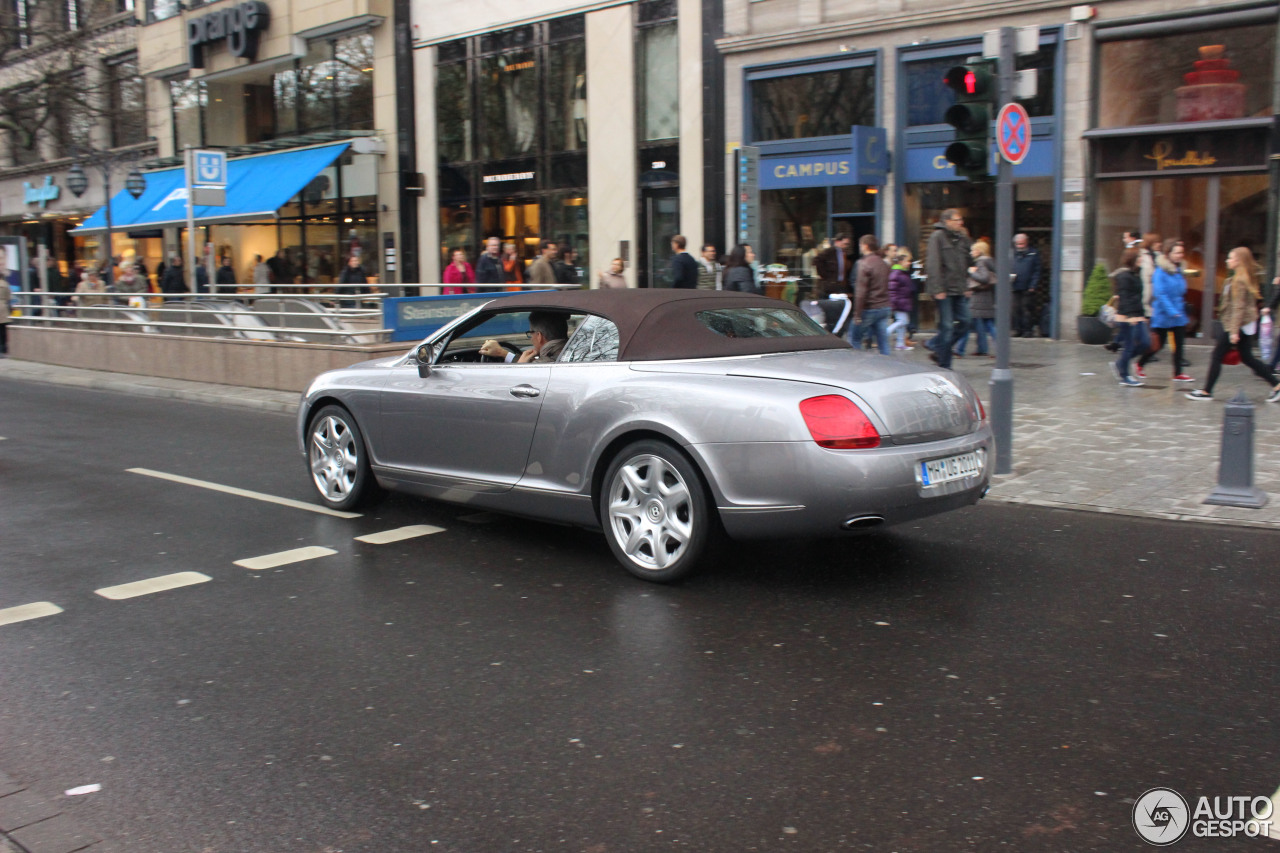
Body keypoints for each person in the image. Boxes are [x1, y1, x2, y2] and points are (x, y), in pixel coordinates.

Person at [1186, 246, 1280, 402]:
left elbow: (1238, 307)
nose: (1227, 260)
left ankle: (1206, 391)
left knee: (1217, 355)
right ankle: (1276, 385)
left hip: (1238, 325)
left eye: (1230, 258)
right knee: (1247, 357)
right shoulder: (1240, 277)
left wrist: (1234, 331)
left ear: (1238, 261)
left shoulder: (1240, 280)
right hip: (1243, 324)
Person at [1136, 239, 1192, 382]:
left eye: (1181, 252)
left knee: (1179, 345)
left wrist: (1180, 310)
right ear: (1168, 253)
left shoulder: (1178, 270)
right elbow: (1161, 294)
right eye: (1177, 252)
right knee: (1158, 345)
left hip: (1178, 314)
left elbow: (1180, 291)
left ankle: (1178, 372)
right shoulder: (1160, 272)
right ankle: (1140, 364)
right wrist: (1172, 311)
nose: (1180, 255)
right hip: (1164, 315)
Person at [925, 208, 972, 369]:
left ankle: (936, 345)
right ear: (947, 221)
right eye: (957, 220)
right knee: (947, 326)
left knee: (966, 321)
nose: (961, 222)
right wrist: (938, 288)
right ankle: (945, 364)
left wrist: (966, 285)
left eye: (961, 219)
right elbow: (933, 263)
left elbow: (966, 262)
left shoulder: (962, 238)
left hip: (958, 288)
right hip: (944, 289)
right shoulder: (937, 237)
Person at [1111, 247, 1149, 387]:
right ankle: (1125, 376)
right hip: (1126, 316)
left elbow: (1137, 297)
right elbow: (1125, 298)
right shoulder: (1123, 276)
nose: (1141, 260)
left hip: (1137, 314)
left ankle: (1121, 363)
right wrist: (1130, 317)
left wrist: (1142, 314)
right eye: (1139, 257)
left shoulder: (1136, 274)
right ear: (1133, 259)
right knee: (1129, 346)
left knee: (1145, 343)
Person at [478, 310, 568, 363]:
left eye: (530, 333)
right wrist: (502, 353)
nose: (531, 338)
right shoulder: (567, 351)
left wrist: (520, 367)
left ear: (539, 336)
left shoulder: (545, 363)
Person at [852, 234, 891, 355]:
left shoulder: (863, 263)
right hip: (884, 307)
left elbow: (860, 292)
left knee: (854, 339)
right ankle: (889, 366)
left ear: (865, 246)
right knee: (883, 342)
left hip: (870, 308)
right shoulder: (883, 263)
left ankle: (856, 367)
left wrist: (857, 314)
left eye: (860, 245)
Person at [959, 240, 996, 357]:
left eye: (973, 250)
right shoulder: (989, 261)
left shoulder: (981, 262)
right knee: (987, 324)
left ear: (979, 251)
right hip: (986, 297)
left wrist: (971, 273)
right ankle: (985, 348)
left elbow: (984, 278)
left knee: (968, 322)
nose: (971, 252)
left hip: (978, 298)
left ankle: (960, 349)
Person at [1011, 233, 1041, 337]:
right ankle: (1017, 329)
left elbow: (1037, 271)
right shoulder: (1012, 254)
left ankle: (1027, 330)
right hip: (1014, 286)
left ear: (1026, 243)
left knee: (1027, 309)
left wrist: (1033, 285)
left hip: (1028, 287)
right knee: (1015, 309)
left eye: (1022, 244)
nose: (1020, 246)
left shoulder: (1033, 253)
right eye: (1018, 244)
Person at [887, 250, 915, 350]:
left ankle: (900, 343)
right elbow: (892, 290)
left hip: (903, 302)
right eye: (907, 261)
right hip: (900, 302)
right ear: (901, 262)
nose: (909, 263)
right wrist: (894, 302)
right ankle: (885, 333)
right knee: (902, 322)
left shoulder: (901, 273)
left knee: (903, 322)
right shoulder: (897, 274)